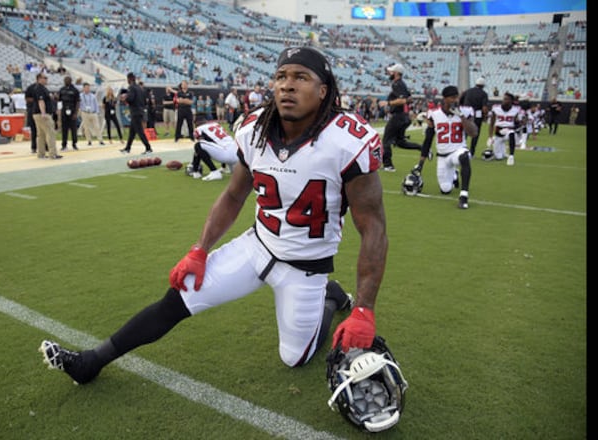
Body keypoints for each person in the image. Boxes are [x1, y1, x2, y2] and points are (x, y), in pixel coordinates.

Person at [39, 46, 387, 388]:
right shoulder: (255, 128)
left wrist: (364, 308)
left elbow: (373, 227)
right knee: (176, 300)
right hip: (258, 245)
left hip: (305, 266)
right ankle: (91, 362)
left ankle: (330, 298)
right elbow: (234, 195)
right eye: (281, 76)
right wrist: (200, 249)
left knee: (295, 357)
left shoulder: (347, 140)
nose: (287, 85)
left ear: (323, 90)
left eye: (301, 77)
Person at [417, 85, 477, 209]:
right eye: (452, 97)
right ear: (444, 99)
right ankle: (454, 174)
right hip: (442, 156)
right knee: (445, 189)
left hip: (458, 150)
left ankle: (464, 196)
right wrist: (420, 164)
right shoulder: (434, 114)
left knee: (464, 156)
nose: (455, 100)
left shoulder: (466, 111)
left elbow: (473, 133)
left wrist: (461, 116)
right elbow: (428, 139)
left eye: (457, 97)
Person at [381, 63, 423, 172]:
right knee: (400, 142)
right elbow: (409, 98)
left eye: (391, 72)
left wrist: (388, 103)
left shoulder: (397, 84)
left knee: (386, 141)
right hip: (403, 116)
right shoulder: (402, 84)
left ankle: (388, 165)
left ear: (396, 73)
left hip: (398, 116)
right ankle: (422, 148)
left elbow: (402, 100)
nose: (389, 74)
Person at [119, 72, 153, 155]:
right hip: (140, 110)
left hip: (135, 112)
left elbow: (130, 99)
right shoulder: (140, 88)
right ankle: (127, 148)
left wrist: (125, 98)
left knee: (140, 131)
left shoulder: (131, 87)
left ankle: (148, 148)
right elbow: (145, 100)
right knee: (132, 132)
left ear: (129, 79)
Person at [486, 92, 523, 166]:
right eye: (504, 99)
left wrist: (515, 126)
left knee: (511, 133)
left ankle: (511, 156)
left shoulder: (516, 110)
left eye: (507, 99)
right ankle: (503, 152)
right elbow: (492, 124)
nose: (504, 101)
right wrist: (490, 137)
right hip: (498, 133)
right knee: (499, 157)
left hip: (510, 131)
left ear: (511, 101)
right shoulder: (496, 109)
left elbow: (519, 124)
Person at [31, 73, 62, 159]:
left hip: (37, 114)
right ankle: (53, 153)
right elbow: (41, 101)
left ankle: (41, 154)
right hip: (42, 114)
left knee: (41, 135)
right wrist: (43, 112)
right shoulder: (40, 88)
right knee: (50, 133)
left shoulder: (41, 88)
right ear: (39, 79)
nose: (46, 79)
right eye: (45, 78)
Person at [459, 77, 489, 157]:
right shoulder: (483, 94)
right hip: (477, 114)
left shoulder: (467, 91)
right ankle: (472, 152)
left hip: (466, 113)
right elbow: (484, 108)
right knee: (475, 133)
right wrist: (485, 116)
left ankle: (461, 149)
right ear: (483, 86)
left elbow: (460, 101)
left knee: (464, 132)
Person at [57, 75, 80, 151]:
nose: (66, 82)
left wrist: (76, 113)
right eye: (65, 80)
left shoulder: (75, 90)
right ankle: (64, 145)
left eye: (68, 80)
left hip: (72, 110)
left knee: (73, 128)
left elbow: (77, 102)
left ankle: (74, 144)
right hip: (64, 111)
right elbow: (59, 101)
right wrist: (59, 112)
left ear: (70, 81)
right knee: (64, 129)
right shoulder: (61, 90)